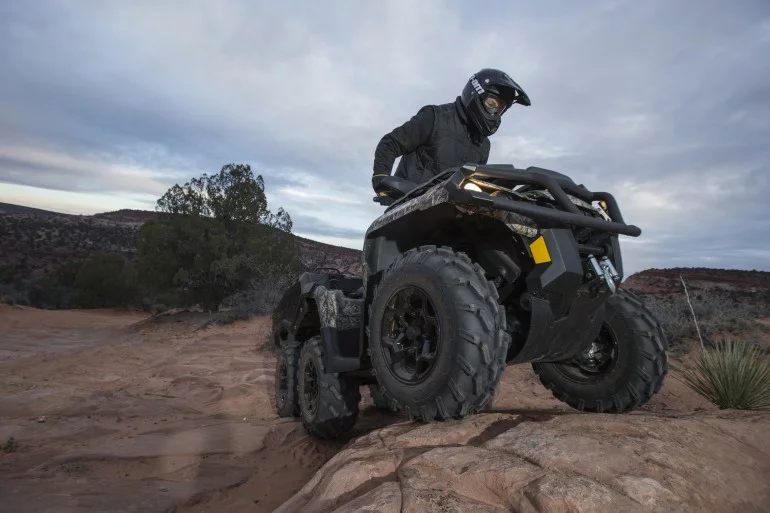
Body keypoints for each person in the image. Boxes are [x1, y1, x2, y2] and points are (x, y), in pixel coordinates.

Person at [371, 68, 531, 191]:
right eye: (492, 104)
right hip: (408, 208)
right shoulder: (435, 117)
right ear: (476, 93)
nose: (495, 112)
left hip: (445, 219)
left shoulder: (483, 145)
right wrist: (381, 181)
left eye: (500, 109)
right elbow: (390, 143)